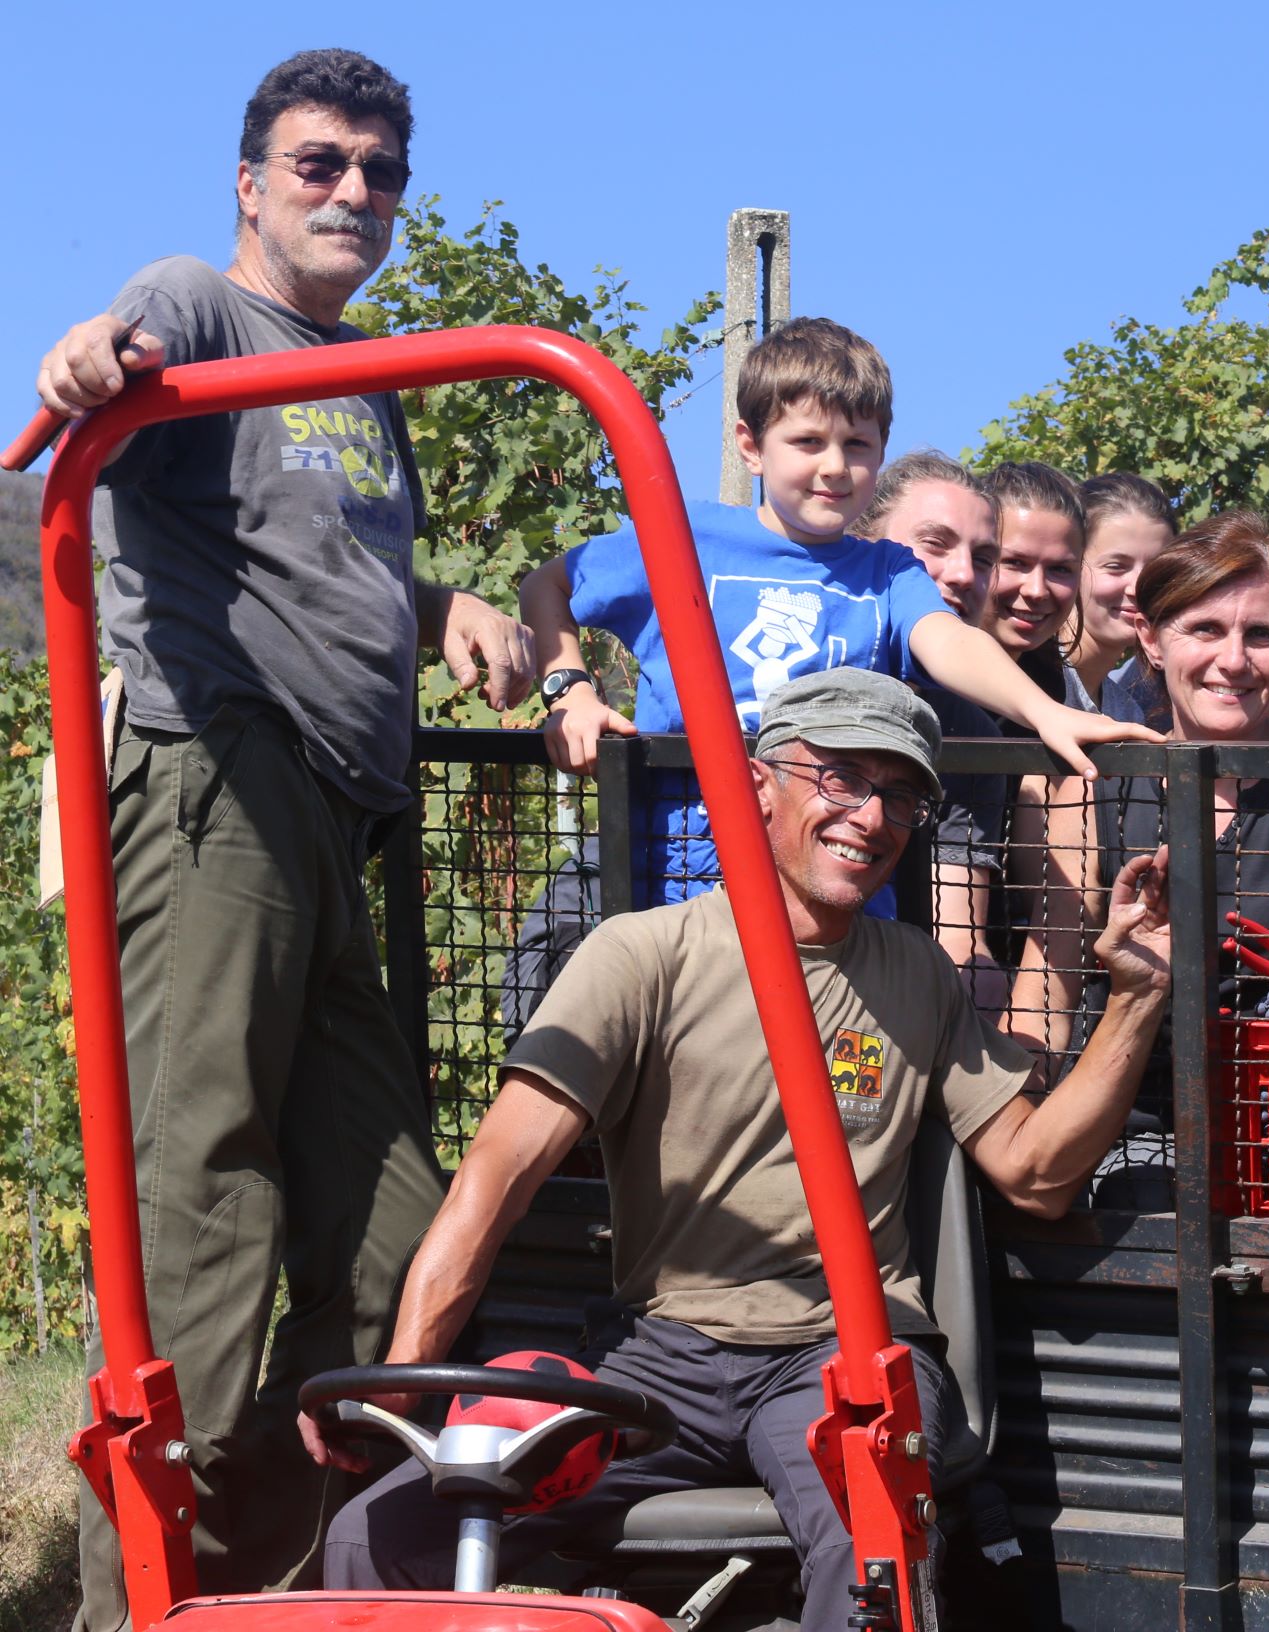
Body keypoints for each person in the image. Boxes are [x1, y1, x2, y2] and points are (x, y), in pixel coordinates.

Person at [314, 668, 1175, 1629]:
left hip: (842, 1354)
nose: (872, 816)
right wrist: (407, 1366)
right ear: (760, 784)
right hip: (661, 1359)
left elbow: (1039, 1173)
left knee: (873, 1541)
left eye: (900, 793)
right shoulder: (641, 955)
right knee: (378, 1532)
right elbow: (495, 1182)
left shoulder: (917, 975)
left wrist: (1137, 996)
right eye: (841, 777)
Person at [31, 49, 536, 1623]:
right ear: (252, 184)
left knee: (395, 1233)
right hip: (218, 775)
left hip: (341, 812)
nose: (355, 196)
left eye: (380, 172)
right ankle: (140, 1591)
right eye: (321, 165)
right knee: (209, 1189)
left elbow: (324, 568)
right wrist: (82, 366)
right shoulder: (201, 303)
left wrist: (449, 606)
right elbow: (105, 375)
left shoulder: (354, 375)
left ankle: (275, 1569)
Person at [522, 322, 1149, 904]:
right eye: (807, 441)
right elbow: (548, 586)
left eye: (856, 445)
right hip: (680, 885)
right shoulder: (685, 540)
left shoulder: (890, 572)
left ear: (880, 452)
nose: (833, 466)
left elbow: (949, 642)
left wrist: (1045, 712)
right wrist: (570, 689)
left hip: (836, 899)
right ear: (751, 447)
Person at [1010, 515, 1269, 1111]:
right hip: (1129, 1131)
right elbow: (1046, 988)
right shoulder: (1099, 785)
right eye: (1204, 629)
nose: (1233, 661)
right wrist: (1016, 1120)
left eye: (1260, 634)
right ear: (1151, 638)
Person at [857, 450, 1013, 1009]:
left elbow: (958, 934)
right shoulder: (780, 676)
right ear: (862, 541)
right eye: (935, 544)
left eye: (984, 556)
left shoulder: (970, 735)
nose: (964, 574)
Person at [980, 460, 1092, 709]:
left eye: (1060, 569)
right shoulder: (920, 683)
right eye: (1015, 562)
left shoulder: (1058, 690)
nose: (1037, 590)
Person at [1066, 472, 1175, 710]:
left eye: (1156, 569)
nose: (1138, 587)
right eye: (1115, 567)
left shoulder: (1126, 711)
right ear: (1070, 566)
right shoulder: (1020, 683)